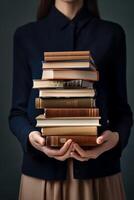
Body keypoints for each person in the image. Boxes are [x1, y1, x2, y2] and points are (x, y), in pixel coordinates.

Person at [8, 0, 133, 199]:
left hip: (99, 176)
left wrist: (114, 139)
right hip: (41, 177)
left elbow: (122, 113)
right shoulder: (25, 36)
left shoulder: (112, 34)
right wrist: (32, 138)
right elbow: (17, 114)